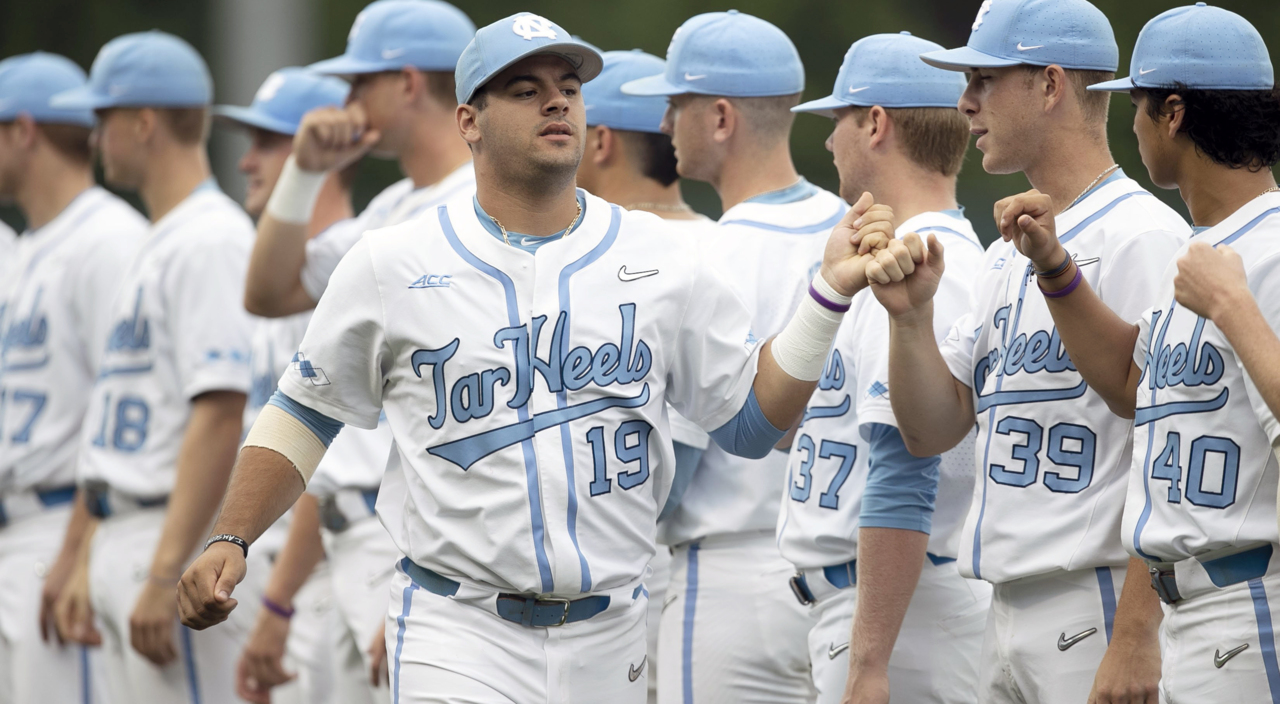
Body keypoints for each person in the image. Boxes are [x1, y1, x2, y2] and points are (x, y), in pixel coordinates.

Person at [176, 12, 899, 704]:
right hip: (455, 625)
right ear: (469, 121)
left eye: (570, 88)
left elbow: (750, 424)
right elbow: (306, 410)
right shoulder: (393, 261)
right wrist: (231, 534)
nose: (556, 102)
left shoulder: (659, 258)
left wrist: (827, 295)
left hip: (612, 633)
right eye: (525, 91)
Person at [870, 0, 1192, 701]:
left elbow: (1170, 446)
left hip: (1097, 600)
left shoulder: (1143, 235)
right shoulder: (1000, 254)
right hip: (1004, 610)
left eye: (985, 79)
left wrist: (1137, 633)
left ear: (1049, 85)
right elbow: (930, 430)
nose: (965, 102)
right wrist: (909, 320)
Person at [990, 5, 1280, 700]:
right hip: (1186, 615)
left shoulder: (1267, 249)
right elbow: (1129, 380)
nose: (1133, 123)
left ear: (1173, 112)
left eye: (1140, 106)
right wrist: (1055, 266)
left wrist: (1234, 309)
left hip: (1252, 603)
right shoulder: (1207, 246)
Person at [621, 12, 844, 702]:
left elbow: (674, 470)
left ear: (720, 116)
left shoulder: (705, 254)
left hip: (727, 577)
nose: (664, 124)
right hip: (844, 571)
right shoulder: (854, 228)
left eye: (676, 103)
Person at [778, 32, 991, 704]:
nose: (828, 141)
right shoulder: (888, 254)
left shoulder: (925, 264)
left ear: (875, 124)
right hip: (878, 606)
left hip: (902, 614)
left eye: (838, 119)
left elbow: (907, 468)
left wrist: (870, 662)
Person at [49, 30, 261, 703]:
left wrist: (162, 569)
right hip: (128, 526)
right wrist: (89, 545)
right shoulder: (159, 238)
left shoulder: (209, 238)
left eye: (102, 119)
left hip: (174, 533)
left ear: (143, 124)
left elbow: (222, 413)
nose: (94, 137)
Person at [0, 51, 146, 704]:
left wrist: (78, 548)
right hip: (21, 531)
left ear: (23, 130)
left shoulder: (109, 240)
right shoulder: (26, 247)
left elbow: (121, 407)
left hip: (65, 529)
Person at [211, 66, 353, 704]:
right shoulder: (292, 279)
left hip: (324, 582)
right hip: (283, 579)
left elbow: (329, 464)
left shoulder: (348, 273)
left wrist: (278, 603)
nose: (248, 161)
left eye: (269, 142)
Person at [574, 47, 712, 704]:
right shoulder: (716, 237)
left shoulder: (648, 254)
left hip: (649, 561)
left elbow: (676, 463)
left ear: (599, 140)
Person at [244, 0, 476, 318]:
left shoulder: (483, 197)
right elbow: (267, 297)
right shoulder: (390, 206)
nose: (348, 100)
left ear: (409, 84)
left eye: (359, 83)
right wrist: (303, 173)